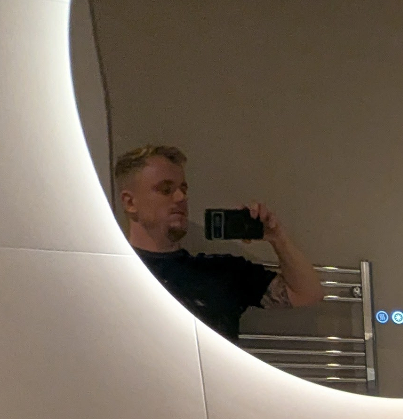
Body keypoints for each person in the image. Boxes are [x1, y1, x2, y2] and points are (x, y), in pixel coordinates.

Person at [113, 144, 325, 339]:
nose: (180, 198)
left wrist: (277, 237)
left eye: (183, 189)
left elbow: (307, 293)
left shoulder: (222, 272)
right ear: (130, 203)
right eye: (166, 189)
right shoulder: (111, 274)